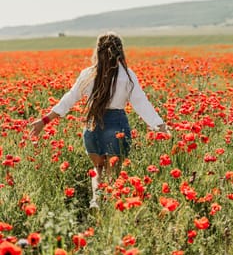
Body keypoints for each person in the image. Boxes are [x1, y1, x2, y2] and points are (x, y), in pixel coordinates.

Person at [30, 32, 168, 209]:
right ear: (120, 52)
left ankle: (96, 201)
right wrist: (160, 125)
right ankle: (109, 211)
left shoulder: (88, 74)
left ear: (97, 51)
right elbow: (142, 103)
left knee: (99, 171)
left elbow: (69, 98)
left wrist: (44, 120)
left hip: (92, 127)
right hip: (116, 127)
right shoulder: (127, 75)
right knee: (113, 177)